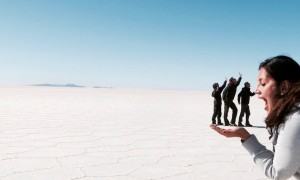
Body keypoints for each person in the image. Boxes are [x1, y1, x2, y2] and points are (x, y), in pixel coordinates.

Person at [211, 55, 300, 179]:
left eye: (263, 83)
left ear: (284, 87)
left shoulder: (295, 120)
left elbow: (278, 173)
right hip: (232, 103)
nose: (257, 90)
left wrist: (246, 137)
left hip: (242, 104)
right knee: (230, 113)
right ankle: (223, 120)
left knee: (242, 113)